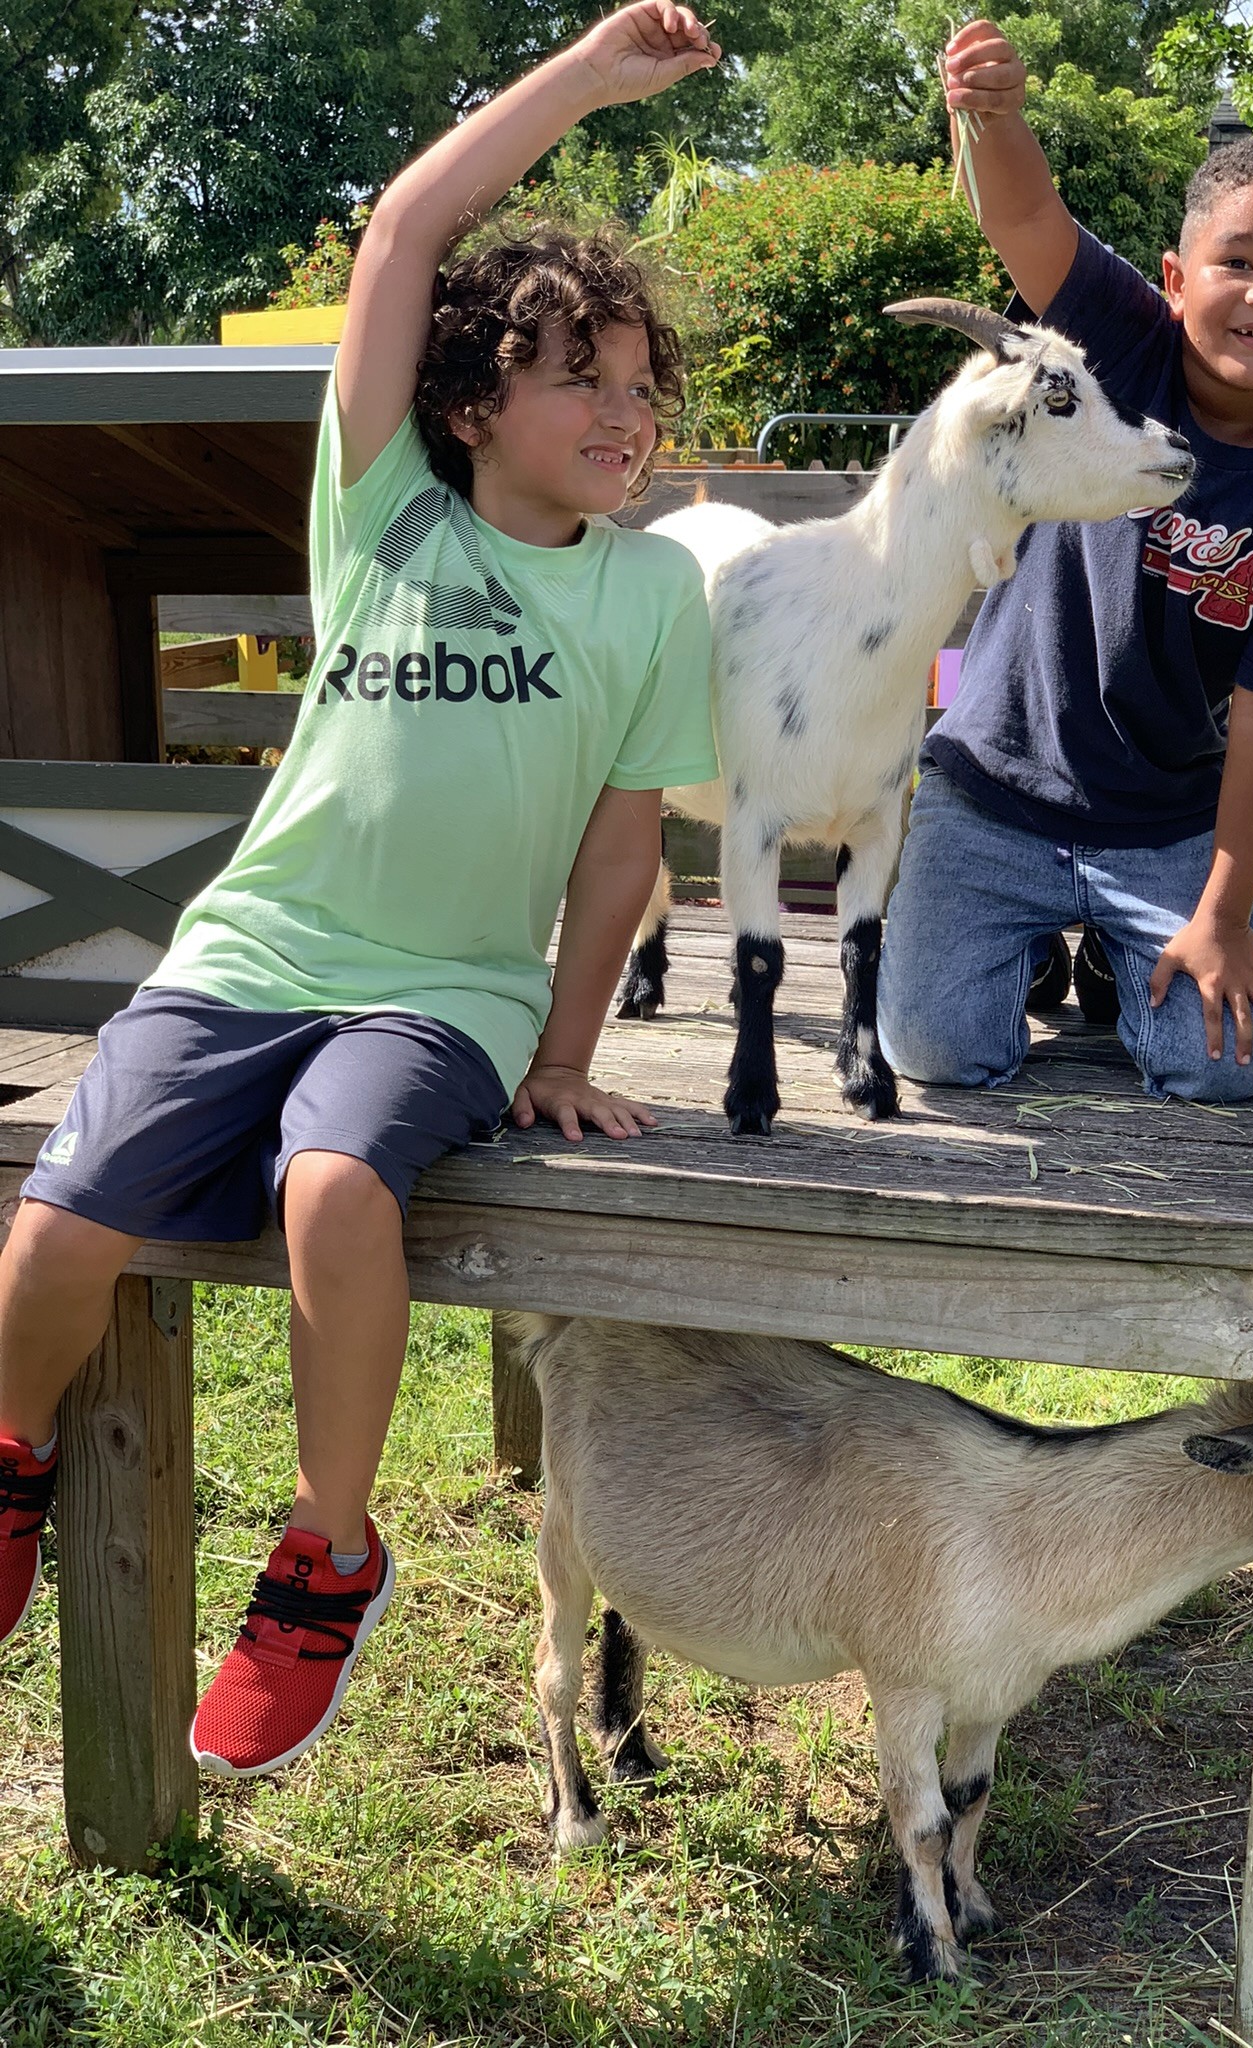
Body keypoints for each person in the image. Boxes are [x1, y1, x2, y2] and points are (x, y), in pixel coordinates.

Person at [0, 0, 721, 1780]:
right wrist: (581, 79)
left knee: (332, 1185)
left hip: (445, 994)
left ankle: (328, 1552)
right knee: (57, 1230)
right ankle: (6, 1462)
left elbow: (624, 842)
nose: (625, 415)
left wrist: (560, 1042)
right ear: (471, 401)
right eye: (584, 380)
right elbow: (403, 230)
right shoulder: (382, 503)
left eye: (645, 389)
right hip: (253, 950)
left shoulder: (649, 598)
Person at [878, 21, 1253, 1103]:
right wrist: (996, 118)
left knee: (1228, 1065)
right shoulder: (1121, 337)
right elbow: (1021, 214)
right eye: (1236, 262)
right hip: (992, 787)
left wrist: (1223, 913)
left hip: (1168, 819)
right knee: (935, 1049)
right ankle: (1027, 945)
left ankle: (1118, 945)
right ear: (1175, 277)